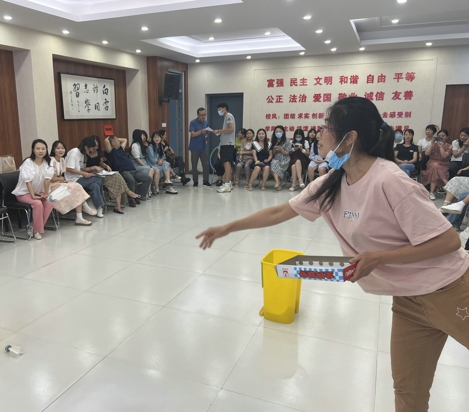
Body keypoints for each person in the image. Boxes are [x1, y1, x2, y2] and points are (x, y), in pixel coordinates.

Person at [197, 96, 469, 412]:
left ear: (349, 137)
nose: (320, 134)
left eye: (327, 127)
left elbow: (448, 241)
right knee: (409, 392)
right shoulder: (332, 182)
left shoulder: (389, 180)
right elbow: (279, 212)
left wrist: (378, 258)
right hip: (408, 301)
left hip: (450, 289)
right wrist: (227, 228)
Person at [86, 135, 142, 214]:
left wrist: (106, 166)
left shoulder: (98, 152)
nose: (95, 147)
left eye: (97, 145)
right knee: (117, 179)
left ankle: (118, 206)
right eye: (94, 145)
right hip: (91, 173)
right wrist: (93, 168)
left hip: (101, 172)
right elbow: (83, 169)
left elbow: (101, 163)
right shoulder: (86, 154)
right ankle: (128, 192)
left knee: (117, 176)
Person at [12, 139, 55, 239]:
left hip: (39, 192)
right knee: (38, 203)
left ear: (46, 150)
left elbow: (47, 179)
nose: (41, 151)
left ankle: (32, 227)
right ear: (33, 150)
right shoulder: (28, 162)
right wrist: (33, 196)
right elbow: (28, 181)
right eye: (38, 149)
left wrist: (46, 193)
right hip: (24, 193)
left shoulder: (48, 162)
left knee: (50, 201)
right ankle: (37, 230)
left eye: (43, 149)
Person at [49, 140, 93, 226]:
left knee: (77, 187)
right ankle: (84, 208)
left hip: (58, 183)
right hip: (50, 187)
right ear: (53, 150)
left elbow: (60, 176)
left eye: (62, 148)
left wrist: (61, 179)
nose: (61, 150)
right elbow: (51, 178)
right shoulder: (51, 160)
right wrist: (60, 178)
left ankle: (80, 217)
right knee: (75, 187)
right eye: (58, 148)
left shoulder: (62, 160)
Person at [64, 137, 105, 218]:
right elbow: (68, 168)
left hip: (79, 177)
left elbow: (81, 168)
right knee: (98, 179)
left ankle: (97, 206)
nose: (92, 151)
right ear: (86, 147)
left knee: (95, 185)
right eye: (91, 148)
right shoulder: (74, 152)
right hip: (72, 180)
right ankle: (98, 204)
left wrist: (85, 173)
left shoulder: (82, 154)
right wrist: (83, 173)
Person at [104, 135, 153, 202]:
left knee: (148, 178)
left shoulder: (121, 149)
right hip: (123, 171)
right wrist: (111, 138)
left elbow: (125, 139)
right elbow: (106, 141)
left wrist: (116, 139)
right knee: (131, 180)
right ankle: (131, 199)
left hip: (133, 170)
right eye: (117, 141)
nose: (119, 141)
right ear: (113, 143)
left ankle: (140, 196)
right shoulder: (110, 152)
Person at [420, 129, 452, 200]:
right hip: (431, 163)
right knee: (434, 166)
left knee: (435, 168)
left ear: (447, 137)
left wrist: (441, 147)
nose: (441, 137)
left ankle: (431, 192)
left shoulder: (449, 146)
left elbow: (444, 156)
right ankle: (447, 185)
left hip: (443, 165)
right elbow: (426, 153)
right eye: (439, 136)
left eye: (443, 136)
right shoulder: (433, 144)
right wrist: (431, 144)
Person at [213, 102, 236, 193]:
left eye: (220, 109)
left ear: (224, 108)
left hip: (228, 143)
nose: (219, 111)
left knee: (226, 163)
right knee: (226, 163)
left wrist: (219, 130)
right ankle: (228, 183)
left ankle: (226, 184)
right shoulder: (226, 117)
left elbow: (231, 129)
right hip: (225, 143)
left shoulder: (228, 116)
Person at [189, 108, 211, 187]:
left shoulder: (206, 123)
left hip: (204, 147)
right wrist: (201, 131)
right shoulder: (193, 123)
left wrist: (206, 137)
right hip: (194, 147)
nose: (203, 117)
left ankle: (206, 181)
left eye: (204, 115)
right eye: (201, 115)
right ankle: (195, 181)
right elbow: (193, 134)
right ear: (198, 115)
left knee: (206, 164)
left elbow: (207, 133)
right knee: (194, 165)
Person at [130, 129, 158, 195]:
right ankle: (148, 190)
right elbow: (137, 159)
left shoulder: (140, 144)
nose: (143, 137)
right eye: (142, 135)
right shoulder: (134, 145)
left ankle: (156, 188)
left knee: (157, 170)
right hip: (136, 166)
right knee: (150, 169)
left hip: (142, 164)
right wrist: (145, 166)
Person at [270, 125, 293, 190]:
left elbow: (288, 153)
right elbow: (272, 153)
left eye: (280, 131)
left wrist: (281, 149)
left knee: (276, 164)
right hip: (276, 158)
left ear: (283, 132)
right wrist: (274, 149)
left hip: (285, 159)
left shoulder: (287, 140)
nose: (278, 133)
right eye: (277, 132)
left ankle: (278, 183)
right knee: (273, 163)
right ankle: (278, 183)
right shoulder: (273, 141)